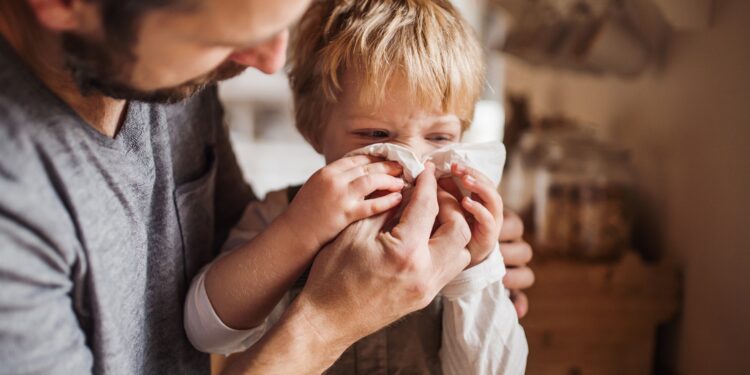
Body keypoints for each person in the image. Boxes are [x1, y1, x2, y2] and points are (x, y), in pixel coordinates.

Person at [0, 0, 534, 374]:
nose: (270, 63)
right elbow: (207, 324)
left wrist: (480, 270)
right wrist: (327, 311)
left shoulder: (171, 74)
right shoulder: (17, 208)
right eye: (220, 37)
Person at [184, 1, 527, 373]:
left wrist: (477, 269)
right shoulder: (283, 213)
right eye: (376, 135)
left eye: (439, 137)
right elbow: (206, 333)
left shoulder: (459, 232)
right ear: (314, 130)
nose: (411, 161)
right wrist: (298, 230)